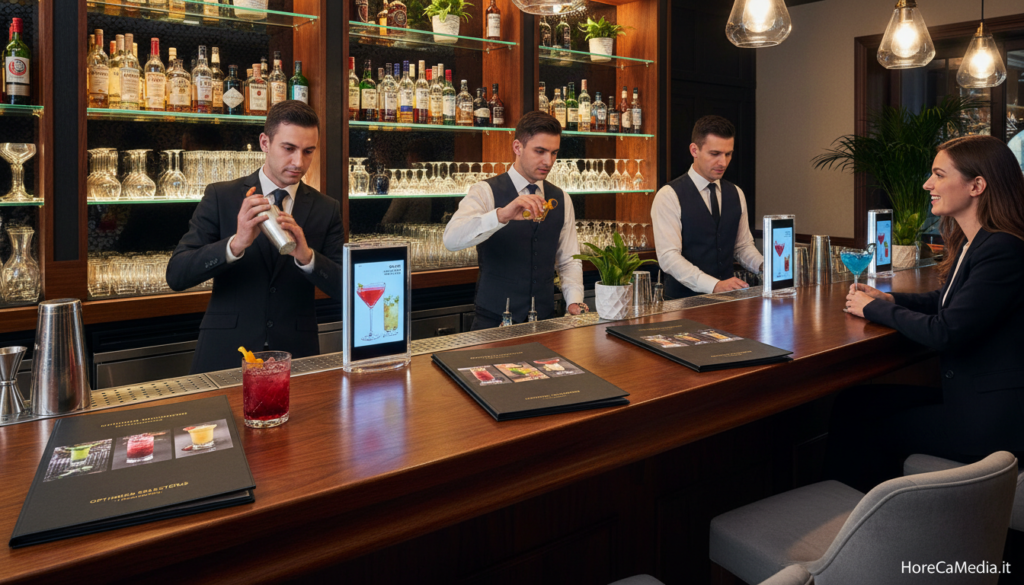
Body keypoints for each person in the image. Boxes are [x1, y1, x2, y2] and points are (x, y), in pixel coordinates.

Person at [829, 134, 1024, 492]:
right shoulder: (976, 241)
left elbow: (946, 331)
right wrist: (889, 300)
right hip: (973, 401)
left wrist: (872, 309)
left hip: (991, 422)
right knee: (854, 402)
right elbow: (946, 300)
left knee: (870, 428)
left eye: (938, 174)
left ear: (977, 185)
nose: (927, 184)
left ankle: (860, 527)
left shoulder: (1003, 249)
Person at [166, 101, 344, 374]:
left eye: (308, 151)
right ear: (264, 142)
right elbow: (177, 275)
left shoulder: (326, 208)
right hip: (226, 352)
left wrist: (307, 258)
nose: (299, 162)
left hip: (296, 354)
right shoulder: (221, 196)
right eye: (289, 149)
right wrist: (235, 244)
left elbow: (346, 288)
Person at [443, 111, 586, 330]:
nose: (548, 161)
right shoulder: (485, 191)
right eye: (540, 151)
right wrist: (501, 215)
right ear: (517, 147)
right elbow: (451, 240)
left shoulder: (561, 198)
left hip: (544, 321)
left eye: (554, 153)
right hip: (493, 323)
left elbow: (568, 259)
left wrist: (574, 301)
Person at [652, 115, 763, 299]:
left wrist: (764, 266)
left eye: (728, 154)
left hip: (727, 302)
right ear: (694, 150)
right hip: (683, 304)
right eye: (715, 154)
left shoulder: (736, 193)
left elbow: (742, 246)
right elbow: (669, 258)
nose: (723, 162)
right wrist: (714, 285)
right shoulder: (669, 195)